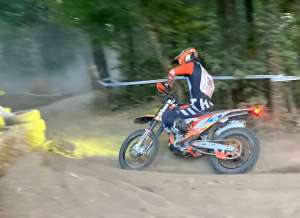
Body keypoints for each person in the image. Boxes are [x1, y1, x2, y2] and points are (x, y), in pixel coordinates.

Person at [161, 48, 215, 154]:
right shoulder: (203, 72)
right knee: (178, 109)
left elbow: (172, 72)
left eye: (179, 61)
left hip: (198, 107)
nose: (179, 64)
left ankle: (189, 134)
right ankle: (188, 137)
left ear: (186, 56)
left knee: (167, 115)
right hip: (205, 106)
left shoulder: (192, 66)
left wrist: (167, 86)